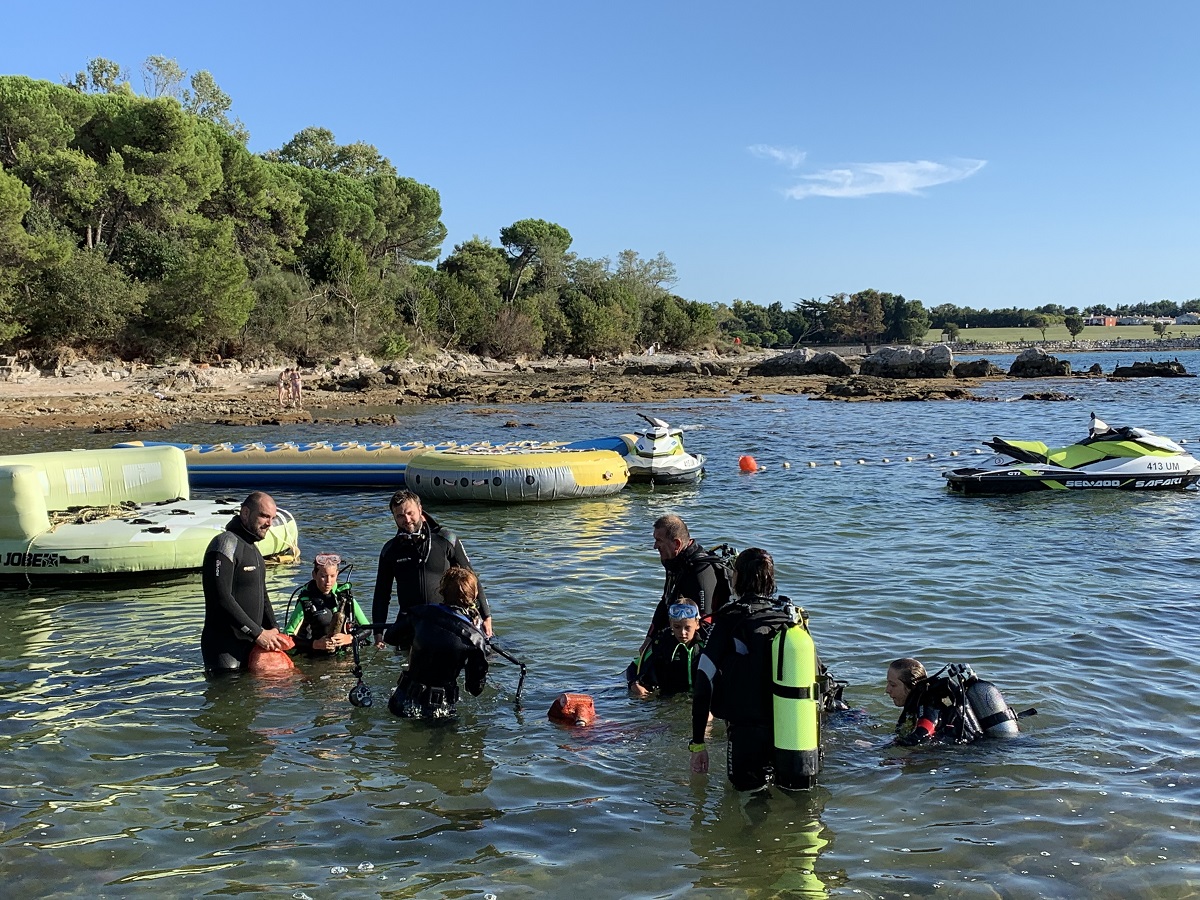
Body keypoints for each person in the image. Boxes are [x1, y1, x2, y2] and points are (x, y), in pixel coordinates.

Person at [690, 548, 829, 792]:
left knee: (749, 801)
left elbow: (703, 678)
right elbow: (818, 678)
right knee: (793, 799)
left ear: (738, 578)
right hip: (795, 733)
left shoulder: (730, 619)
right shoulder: (789, 619)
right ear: (771, 580)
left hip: (747, 734)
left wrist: (699, 744)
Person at [372, 490, 493, 649]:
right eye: (400, 516)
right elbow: (382, 594)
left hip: (446, 620)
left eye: (410, 513)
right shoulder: (390, 550)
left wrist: (486, 617)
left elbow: (471, 578)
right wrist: (378, 633)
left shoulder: (445, 539)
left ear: (420, 509)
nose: (407, 520)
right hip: (411, 622)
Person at [201, 491, 286, 674]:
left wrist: (274, 628)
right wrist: (258, 633)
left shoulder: (254, 552)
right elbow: (221, 597)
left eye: (272, 518)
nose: (269, 523)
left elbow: (262, 595)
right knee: (230, 696)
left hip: (251, 643)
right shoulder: (224, 545)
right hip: (224, 648)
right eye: (264, 516)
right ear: (245, 513)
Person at [388, 566, 489, 718]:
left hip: (402, 701)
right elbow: (475, 689)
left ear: (442, 590)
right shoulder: (475, 638)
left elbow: (390, 637)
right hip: (440, 710)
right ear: (473, 596)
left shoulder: (419, 613)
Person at [888, 658, 1021, 745]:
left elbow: (923, 732)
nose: (887, 690)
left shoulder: (928, 703)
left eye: (893, 685)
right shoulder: (920, 702)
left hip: (972, 755)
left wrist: (883, 748)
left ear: (911, 685)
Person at [642, 515, 723, 645]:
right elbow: (666, 601)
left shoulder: (700, 572)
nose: (655, 546)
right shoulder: (675, 563)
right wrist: (649, 638)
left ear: (677, 544)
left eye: (659, 540)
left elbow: (705, 623)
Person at [282, 552, 370, 655]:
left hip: (345, 658)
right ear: (314, 575)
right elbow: (286, 638)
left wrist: (350, 638)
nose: (328, 581)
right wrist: (315, 644)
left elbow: (367, 629)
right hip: (317, 659)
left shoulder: (346, 598)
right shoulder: (306, 603)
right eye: (323, 576)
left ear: (337, 574)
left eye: (332, 576)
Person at [628, 600, 711, 697]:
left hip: (698, 697)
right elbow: (634, 667)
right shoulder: (663, 643)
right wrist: (634, 684)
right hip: (668, 698)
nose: (682, 633)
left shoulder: (706, 644)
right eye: (677, 627)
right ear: (671, 624)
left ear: (697, 624)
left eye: (687, 628)